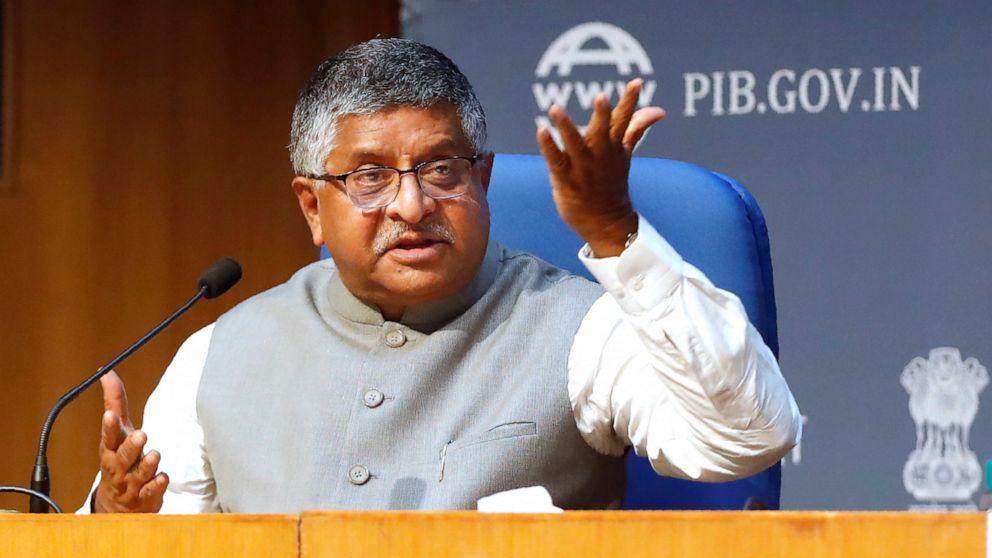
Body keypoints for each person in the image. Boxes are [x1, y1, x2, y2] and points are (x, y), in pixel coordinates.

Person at [82, 38, 801, 513]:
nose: (412, 204)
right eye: (369, 176)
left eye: (441, 169)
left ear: (481, 179)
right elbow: (136, 536)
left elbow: (747, 438)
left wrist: (616, 231)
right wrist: (115, 517)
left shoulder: (582, 329)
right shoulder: (220, 353)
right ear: (312, 206)